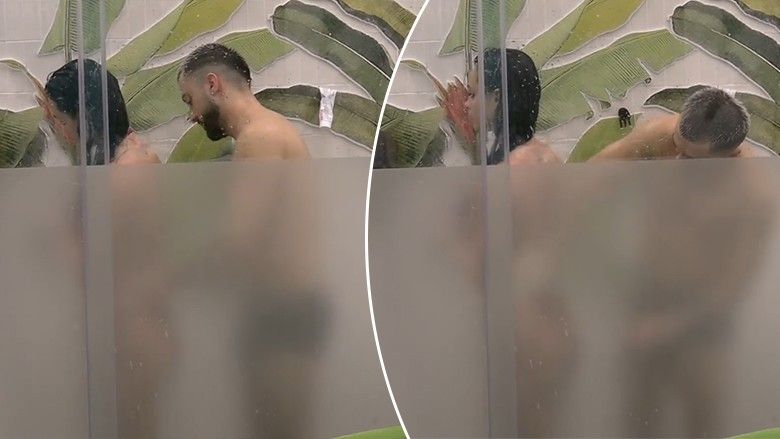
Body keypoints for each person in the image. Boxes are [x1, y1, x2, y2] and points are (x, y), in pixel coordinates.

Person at [177, 43, 310, 161]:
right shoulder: (267, 128)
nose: (192, 115)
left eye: (190, 101)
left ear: (212, 85)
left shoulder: (259, 137)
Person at [39, 59, 160, 165]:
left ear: (86, 121)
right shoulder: (112, 152)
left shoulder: (130, 163)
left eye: (62, 121)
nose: (57, 127)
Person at [591, 86, 758, 161]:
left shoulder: (749, 183)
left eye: (690, 158)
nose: (677, 158)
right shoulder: (657, 132)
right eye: (675, 143)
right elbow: (599, 167)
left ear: (728, 156)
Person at [465, 48, 561, 165]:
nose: (466, 104)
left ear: (497, 97)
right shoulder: (536, 151)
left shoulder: (519, 161)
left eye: (472, 95)